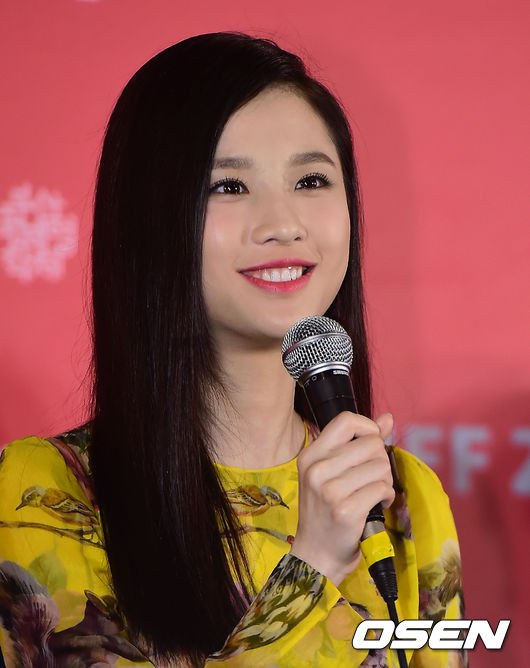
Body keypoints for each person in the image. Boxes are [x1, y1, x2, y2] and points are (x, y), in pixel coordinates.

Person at [0, 33, 466, 667]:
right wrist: (310, 569)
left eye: (310, 180)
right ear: (152, 219)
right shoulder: (47, 490)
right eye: (229, 187)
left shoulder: (403, 497)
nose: (283, 224)